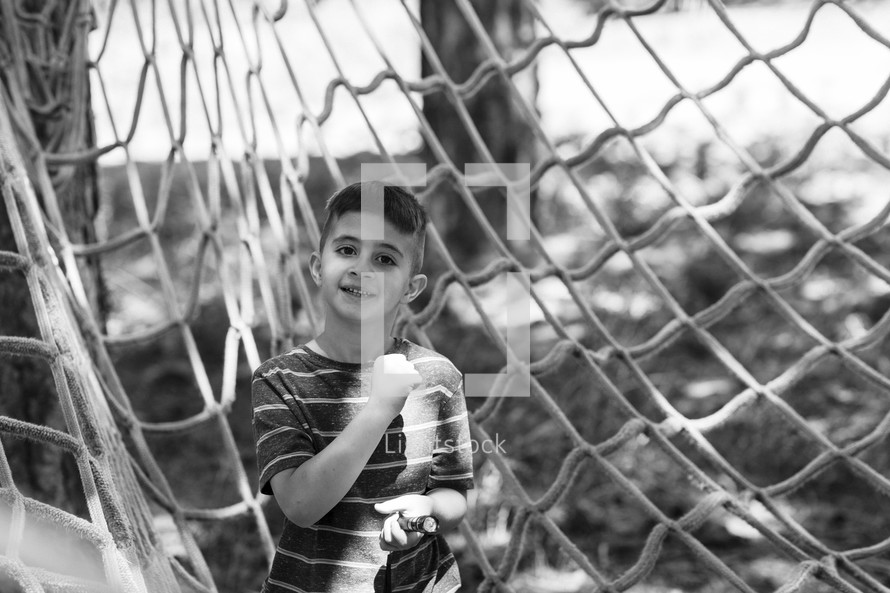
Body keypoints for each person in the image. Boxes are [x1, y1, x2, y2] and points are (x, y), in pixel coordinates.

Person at [252, 181, 475, 593]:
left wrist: (427, 510)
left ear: (411, 288)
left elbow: (455, 493)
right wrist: (379, 410)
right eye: (348, 250)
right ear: (319, 266)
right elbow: (301, 505)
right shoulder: (280, 379)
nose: (363, 268)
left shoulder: (438, 376)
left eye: (385, 258)